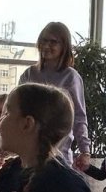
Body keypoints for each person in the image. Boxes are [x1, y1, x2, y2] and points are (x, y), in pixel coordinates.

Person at [17, 22, 90, 171]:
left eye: (53, 42)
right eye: (44, 40)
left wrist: (85, 151)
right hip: (28, 154)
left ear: (64, 46)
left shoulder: (71, 77)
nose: (46, 45)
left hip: (59, 155)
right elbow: (16, 111)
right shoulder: (29, 74)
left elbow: (79, 117)